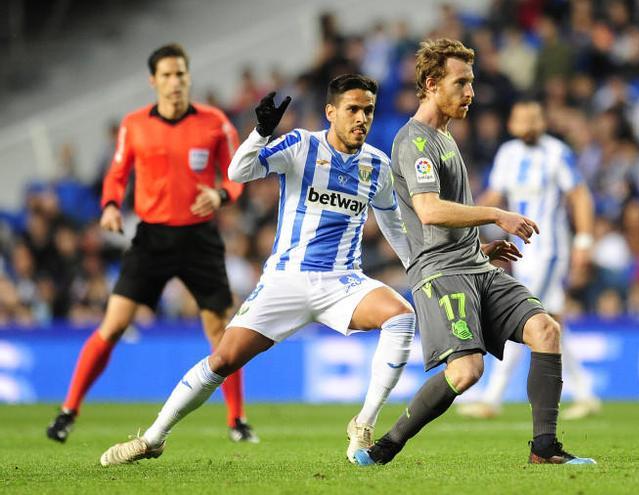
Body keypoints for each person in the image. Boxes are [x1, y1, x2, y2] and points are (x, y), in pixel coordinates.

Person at [99, 74, 417, 466]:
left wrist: (418, 267)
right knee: (222, 361)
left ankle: (363, 423)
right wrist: (260, 133)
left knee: (402, 316)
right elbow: (237, 173)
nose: (362, 118)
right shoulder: (301, 145)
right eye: (353, 109)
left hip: (342, 282)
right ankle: (152, 438)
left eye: (368, 110)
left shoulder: (377, 165)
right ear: (330, 112)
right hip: (286, 280)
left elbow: (394, 227)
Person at [353, 39, 595, 466]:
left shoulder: (444, 137)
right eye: (461, 82)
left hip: (475, 263)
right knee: (466, 372)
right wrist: (497, 215)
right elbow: (428, 211)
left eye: (472, 82)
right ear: (431, 84)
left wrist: (478, 244)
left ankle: (544, 449)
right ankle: (386, 446)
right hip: (440, 273)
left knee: (546, 330)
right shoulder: (416, 143)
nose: (471, 93)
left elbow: (434, 216)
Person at [46, 43, 257, 444]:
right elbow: (117, 173)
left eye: (181, 74)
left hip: (200, 238)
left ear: (188, 77)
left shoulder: (215, 123)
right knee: (113, 324)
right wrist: (109, 204)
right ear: (153, 81)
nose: (175, 82)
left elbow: (236, 174)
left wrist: (221, 195)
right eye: (167, 75)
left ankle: (237, 420)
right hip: (152, 238)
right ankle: (68, 410)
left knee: (221, 331)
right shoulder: (134, 124)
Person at [458, 99, 601, 421]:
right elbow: (494, 198)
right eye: (523, 119)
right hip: (522, 253)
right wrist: (464, 223)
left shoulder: (556, 152)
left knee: (520, 315)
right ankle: (586, 393)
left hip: (549, 249)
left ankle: (492, 398)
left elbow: (579, 195)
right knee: (550, 321)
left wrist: (584, 240)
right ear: (512, 124)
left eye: (535, 118)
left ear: (543, 122)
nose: (530, 125)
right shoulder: (508, 154)